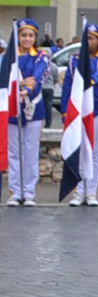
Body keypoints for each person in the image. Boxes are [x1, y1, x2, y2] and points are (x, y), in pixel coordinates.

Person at [67, 24, 98, 205]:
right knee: (79, 151)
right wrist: (65, 110)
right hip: (79, 109)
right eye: (86, 38)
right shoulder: (75, 58)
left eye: (92, 38)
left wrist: (91, 79)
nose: (88, 42)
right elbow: (68, 83)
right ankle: (78, 191)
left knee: (94, 151)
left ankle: (91, 191)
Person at [6, 22, 48, 205]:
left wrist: (27, 89)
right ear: (18, 37)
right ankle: (15, 192)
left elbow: (37, 78)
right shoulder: (8, 57)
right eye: (23, 35)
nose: (27, 39)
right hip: (12, 108)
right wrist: (21, 84)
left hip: (33, 109)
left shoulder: (41, 56)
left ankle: (29, 191)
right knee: (14, 152)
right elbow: (5, 78)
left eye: (30, 36)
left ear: (35, 37)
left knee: (30, 152)